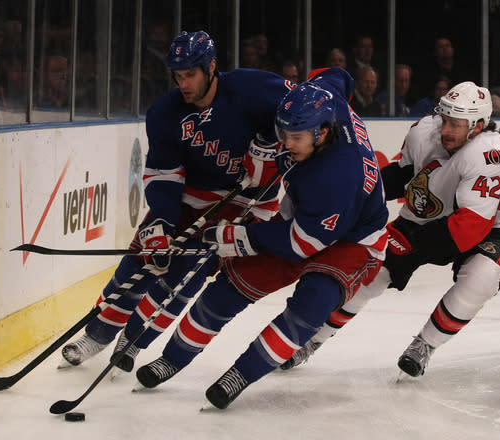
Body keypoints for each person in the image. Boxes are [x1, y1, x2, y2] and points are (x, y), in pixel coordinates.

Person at [131, 67, 389, 410]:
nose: (287, 143)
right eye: (284, 133)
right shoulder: (321, 100)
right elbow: (337, 75)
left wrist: (243, 236)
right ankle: (173, 359)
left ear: (323, 133)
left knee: (309, 306)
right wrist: (265, 148)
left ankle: (240, 373)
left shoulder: (337, 177)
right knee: (228, 288)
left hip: (352, 241)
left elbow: (303, 244)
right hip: (303, 216)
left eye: (296, 137)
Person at [60, 30, 295, 371]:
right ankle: (97, 334)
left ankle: (134, 340)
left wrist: (274, 142)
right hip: (189, 195)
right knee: (142, 257)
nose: (184, 84)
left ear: (211, 67)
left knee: (189, 272)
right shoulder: (166, 113)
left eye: (191, 75)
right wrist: (161, 224)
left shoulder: (252, 88)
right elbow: (163, 174)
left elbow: (303, 103)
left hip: (244, 202)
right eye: (178, 76)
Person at [281, 81, 500, 380]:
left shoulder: (491, 156)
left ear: (478, 126)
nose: (445, 130)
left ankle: (425, 345)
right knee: (369, 276)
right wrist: (353, 197)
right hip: (419, 221)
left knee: (481, 279)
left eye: (456, 125)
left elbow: (468, 229)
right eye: (444, 120)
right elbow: (398, 176)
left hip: (488, 232)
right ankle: (311, 340)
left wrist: (413, 248)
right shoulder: (425, 131)